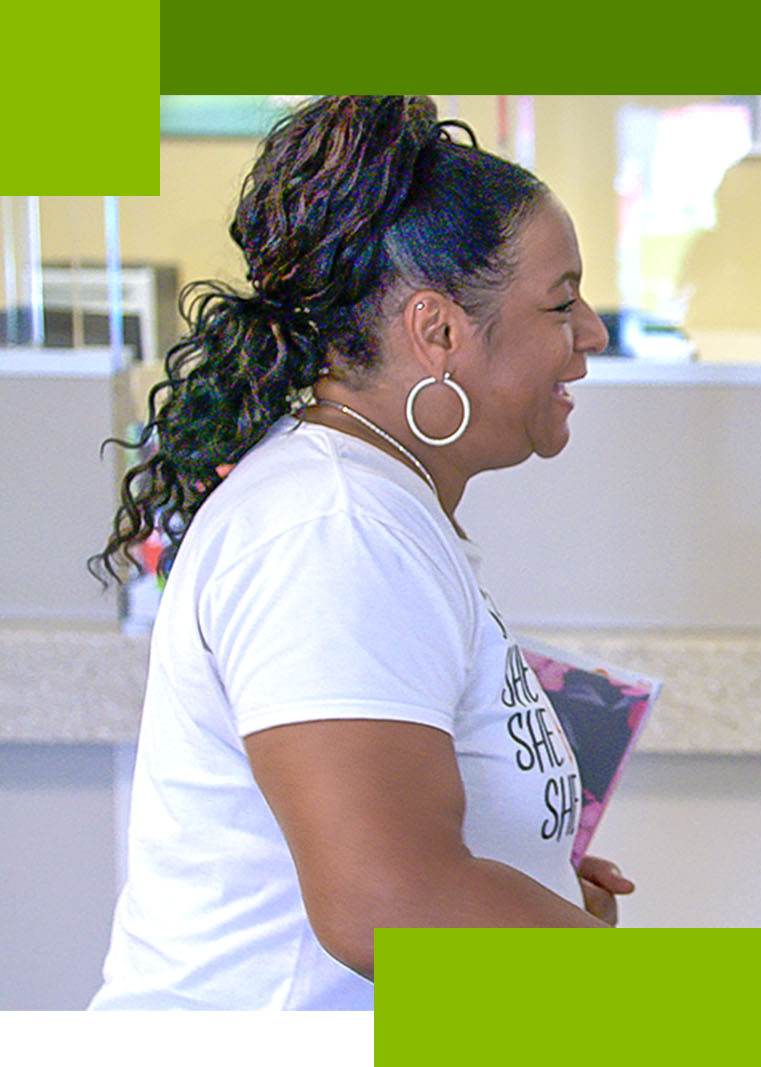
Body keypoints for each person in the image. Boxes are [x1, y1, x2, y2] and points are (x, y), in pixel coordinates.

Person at [87, 95, 631, 1010]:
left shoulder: (374, 507)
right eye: (560, 301)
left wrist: (531, 889)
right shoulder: (333, 527)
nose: (590, 336)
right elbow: (386, 900)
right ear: (439, 331)